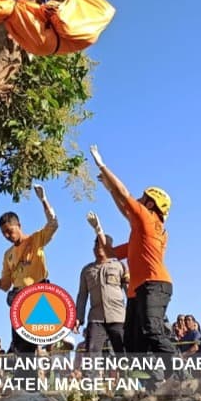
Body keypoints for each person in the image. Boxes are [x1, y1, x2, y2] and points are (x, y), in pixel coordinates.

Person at [88, 144, 175, 381]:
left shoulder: (147, 221)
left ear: (150, 205)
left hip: (153, 285)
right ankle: (154, 387)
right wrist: (99, 229)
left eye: (143, 198)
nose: (139, 199)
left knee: (152, 329)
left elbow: (124, 194)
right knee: (133, 343)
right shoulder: (143, 232)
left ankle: (181, 376)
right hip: (139, 290)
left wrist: (102, 166)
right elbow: (111, 252)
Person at [0, 184, 58, 354]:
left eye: (9, 231)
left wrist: (44, 200)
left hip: (38, 293)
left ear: (19, 225)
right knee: (21, 349)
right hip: (19, 299)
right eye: (3, 233)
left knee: (45, 340)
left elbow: (53, 224)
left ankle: (53, 345)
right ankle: (24, 379)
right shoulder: (8, 255)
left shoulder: (36, 239)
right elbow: (5, 285)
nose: (7, 236)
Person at [76, 235, 127, 357]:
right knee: (91, 352)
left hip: (118, 317)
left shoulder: (120, 266)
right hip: (96, 319)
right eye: (95, 244)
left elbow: (129, 291)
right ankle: (90, 376)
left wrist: (133, 315)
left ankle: (127, 375)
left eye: (101, 244)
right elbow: (82, 296)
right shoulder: (87, 270)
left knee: (124, 352)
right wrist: (78, 318)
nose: (98, 247)